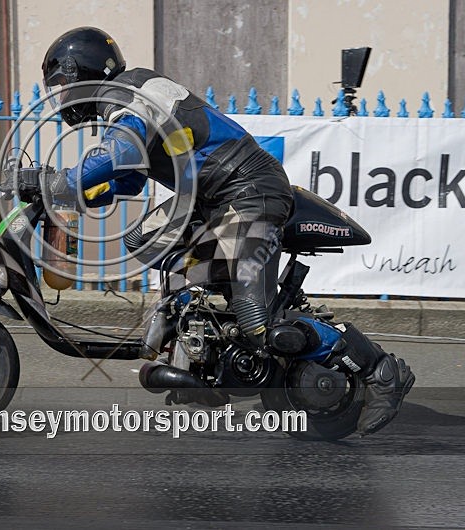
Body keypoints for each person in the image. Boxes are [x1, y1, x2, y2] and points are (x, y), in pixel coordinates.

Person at [42, 26, 413, 435]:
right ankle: (209, 349)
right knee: (142, 239)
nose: (62, 97)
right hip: (209, 198)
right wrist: (66, 190)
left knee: (260, 325)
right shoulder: (123, 102)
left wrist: (62, 180)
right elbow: (127, 179)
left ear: (85, 71)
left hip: (249, 191)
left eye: (63, 86)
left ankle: (380, 369)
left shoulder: (128, 92)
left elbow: (121, 151)